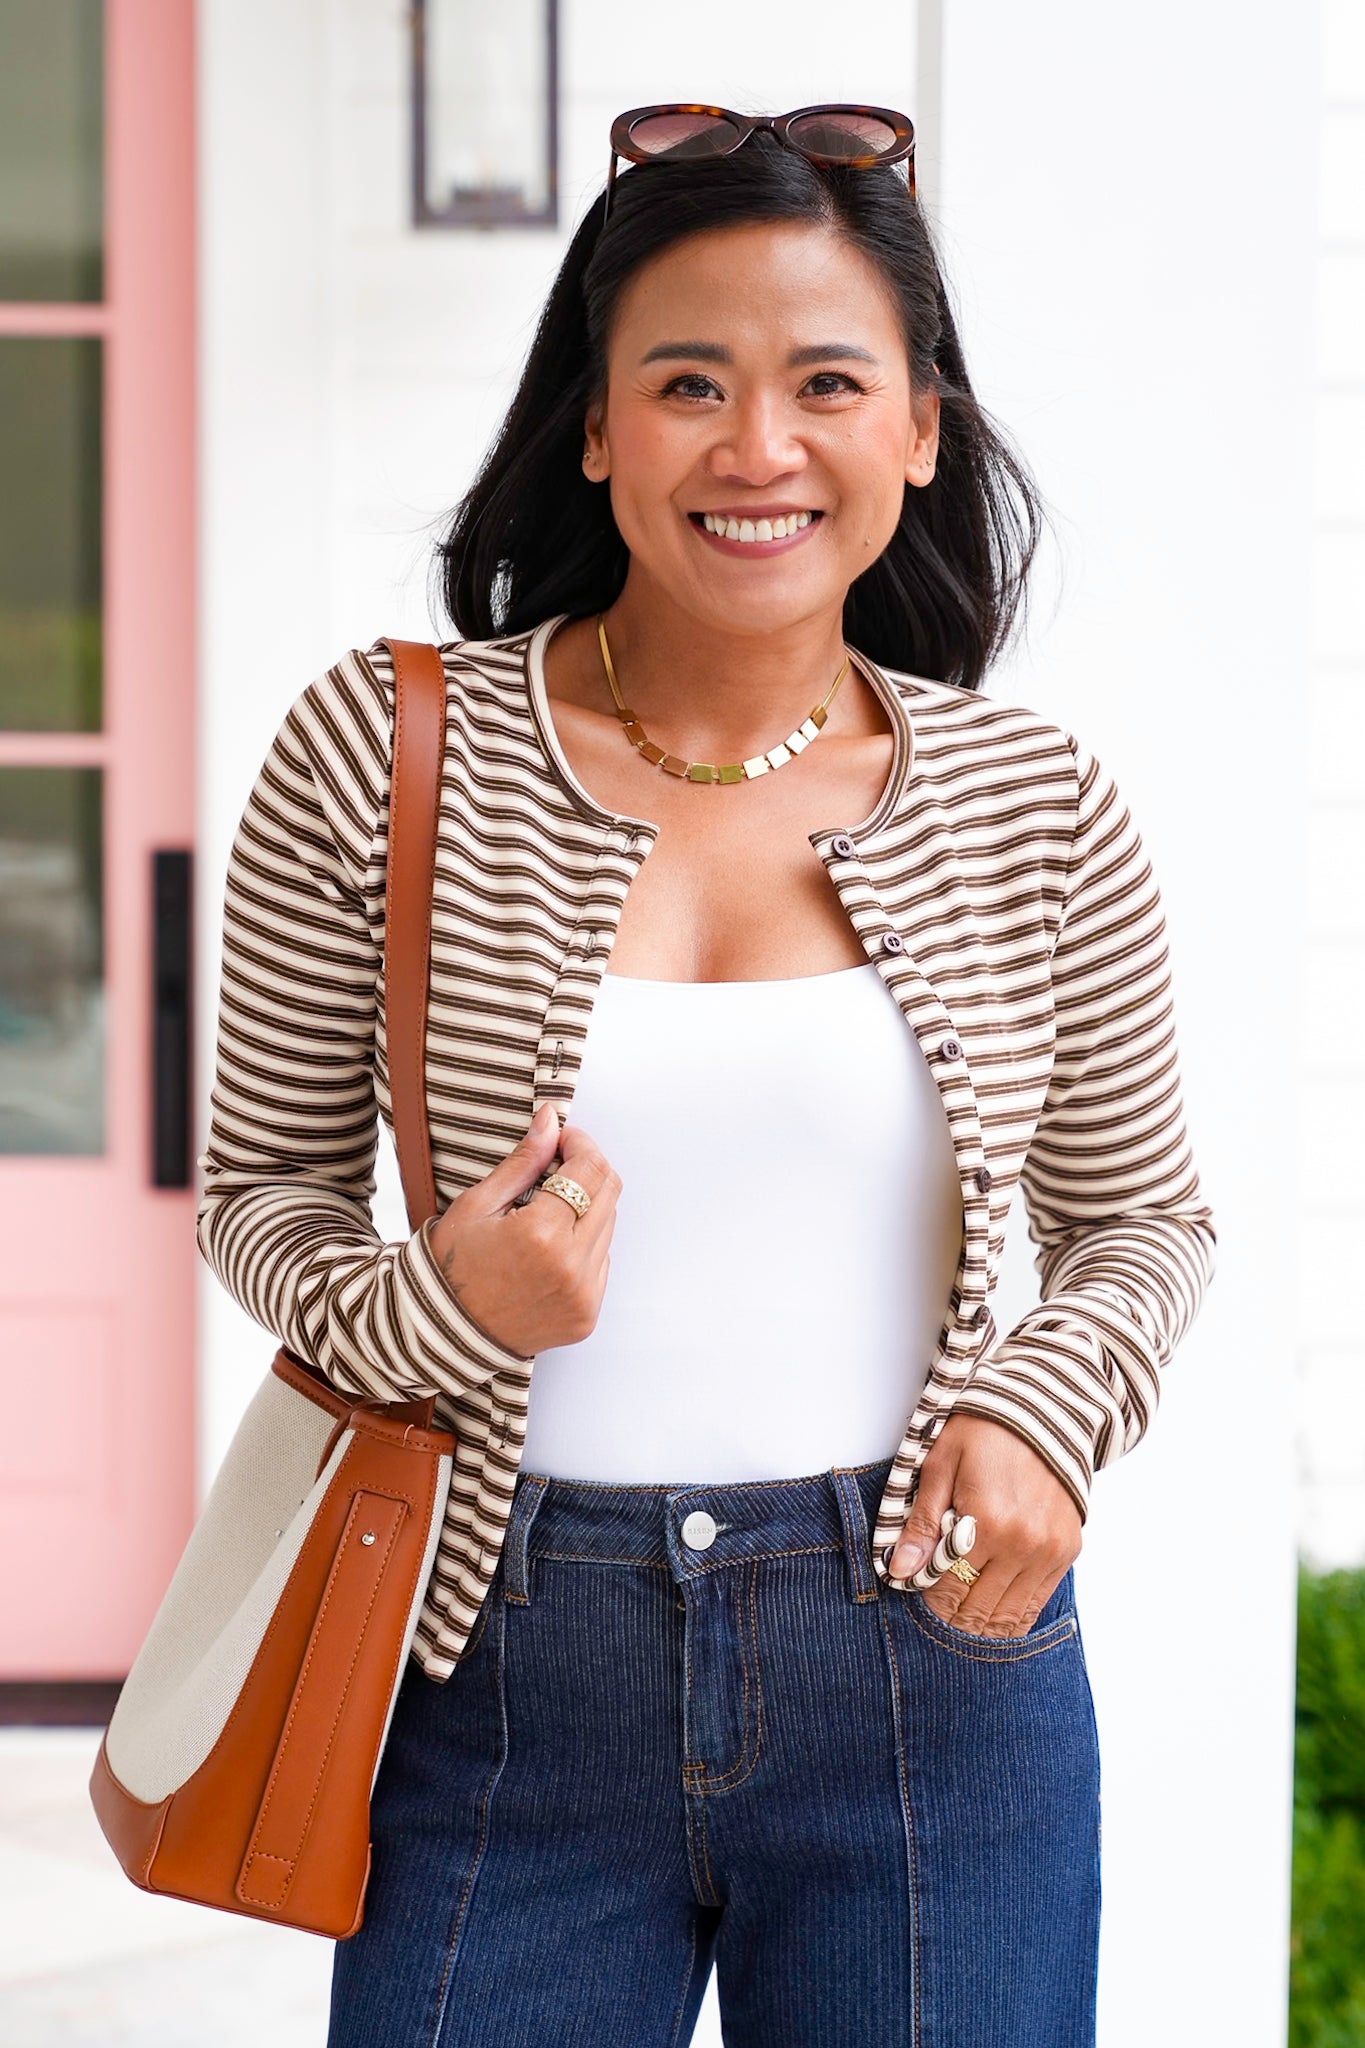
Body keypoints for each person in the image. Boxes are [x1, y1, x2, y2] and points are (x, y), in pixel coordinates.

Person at [195, 103, 1217, 2047]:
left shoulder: (1032, 804)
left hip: (931, 1678)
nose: (756, 447)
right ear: (594, 427)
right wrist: (438, 1302)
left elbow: (1141, 1219)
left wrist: (1044, 1411)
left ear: (915, 428)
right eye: (686, 383)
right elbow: (263, 1197)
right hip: (488, 1668)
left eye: (825, 382)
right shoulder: (384, 753)